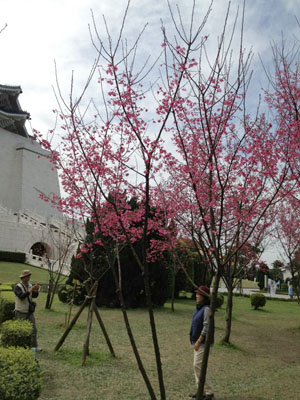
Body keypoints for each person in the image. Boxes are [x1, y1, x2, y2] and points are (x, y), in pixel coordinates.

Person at [189, 285, 214, 399]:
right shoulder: (198, 308)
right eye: (196, 293)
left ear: (204, 296)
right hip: (197, 342)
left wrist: (199, 341)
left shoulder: (206, 309)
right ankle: (201, 391)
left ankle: (209, 392)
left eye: (199, 294)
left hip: (204, 343)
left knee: (198, 365)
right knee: (198, 366)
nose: (196, 295)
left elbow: (206, 326)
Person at [14, 270, 42, 351]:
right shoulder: (17, 287)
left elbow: (34, 296)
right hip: (20, 311)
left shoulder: (30, 285)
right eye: (28, 276)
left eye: (29, 276)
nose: (29, 278)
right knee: (20, 331)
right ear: (23, 278)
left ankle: (34, 347)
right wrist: (30, 290)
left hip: (29, 312)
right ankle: (20, 347)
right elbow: (21, 296)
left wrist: (36, 290)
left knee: (34, 330)